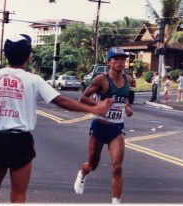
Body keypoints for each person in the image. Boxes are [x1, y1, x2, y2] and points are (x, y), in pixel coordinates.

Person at [0, 34, 113, 203]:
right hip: (21, 142)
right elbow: (61, 101)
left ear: (6, 54)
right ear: (28, 57)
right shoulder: (34, 80)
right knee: (18, 196)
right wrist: (94, 108)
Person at [74, 47, 133, 204]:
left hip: (116, 128)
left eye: (123, 59)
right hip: (99, 126)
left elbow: (124, 97)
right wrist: (101, 104)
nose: (121, 62)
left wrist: (127, 106)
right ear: (109, 62)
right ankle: (82, 173)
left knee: (117, 168)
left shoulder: (128, 79)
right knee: (93, 165)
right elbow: (83, 98)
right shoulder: (101, 79)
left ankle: (115, 202)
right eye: (116, 59)